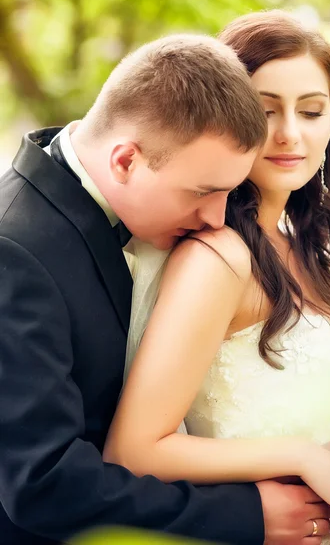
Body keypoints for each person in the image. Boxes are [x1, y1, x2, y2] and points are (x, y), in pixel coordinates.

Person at [104, 12, 330, 544]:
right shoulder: (217, 257)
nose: (290, 134)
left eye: (312, 110)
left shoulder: (292, 243)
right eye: (266, 111)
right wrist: (303, 457)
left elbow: (278, 412)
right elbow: (135, 449)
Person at [0, 33, 309, 545]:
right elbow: (43, 483)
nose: (215, 219)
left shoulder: (142, 216)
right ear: (125, 161)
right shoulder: (15, 250)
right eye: (204, 193)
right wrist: (245, 515)